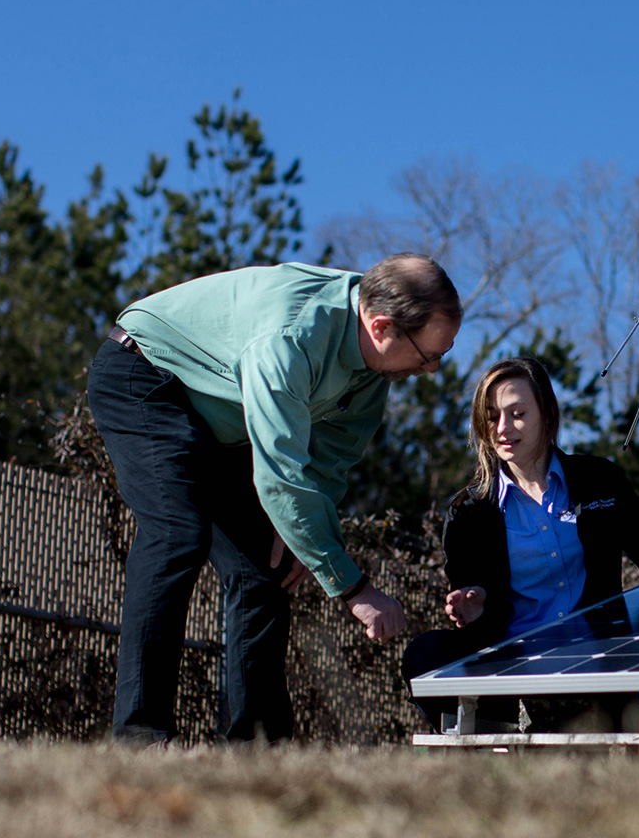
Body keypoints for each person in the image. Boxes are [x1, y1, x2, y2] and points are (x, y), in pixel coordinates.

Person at [88, 254, 462, 744]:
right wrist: (352, 588)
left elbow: (329, 461)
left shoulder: (373, 367)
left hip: (222, 419)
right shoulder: (291, 336)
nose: (431, 370)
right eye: (428, 355)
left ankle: (258, 747)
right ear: (381, 326)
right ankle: (140, 736)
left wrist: (304, 534)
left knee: (265, 568)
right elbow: (280, 472)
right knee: (178, 533)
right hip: (148, 379)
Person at [403, 356, 639, 729]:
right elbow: (470, 589)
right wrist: (473, 604)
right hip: (511, 657)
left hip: (599, 649)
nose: (503, 428)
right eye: (491, 416)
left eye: (517, 413)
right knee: (425, 653)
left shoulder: (600, 480)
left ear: (547, 415)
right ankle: (492, 739)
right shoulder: (468, 513)